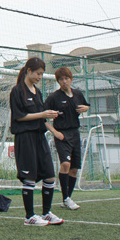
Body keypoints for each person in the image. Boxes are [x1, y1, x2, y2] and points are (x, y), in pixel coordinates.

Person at [9, 57, 64, 226]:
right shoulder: (17, 91)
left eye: (42, 74)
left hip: (39, 137)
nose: (40, 77)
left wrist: (51, 122)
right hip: (25, 138)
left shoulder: (38, 92)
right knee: (29, 177)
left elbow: (42, 117)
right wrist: (42, 114)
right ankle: (29, 217)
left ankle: (46, 213)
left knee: (50, 175)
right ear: (29, 71)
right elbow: (19, 117)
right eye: (38, 74)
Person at [44, 66, 90, 210]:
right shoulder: (53, 97)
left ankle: (67, 199)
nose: (64, 81)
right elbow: (42, 118)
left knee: (74, 169)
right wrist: (55, 132)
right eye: (61, 79)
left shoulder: (78, 94)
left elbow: (86, 105)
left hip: (75, 134)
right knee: (65, 164)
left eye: (66, 78)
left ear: (71, 79)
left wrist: (86, 108)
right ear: (58, 81)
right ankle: (65, 198)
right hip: (62, 135)